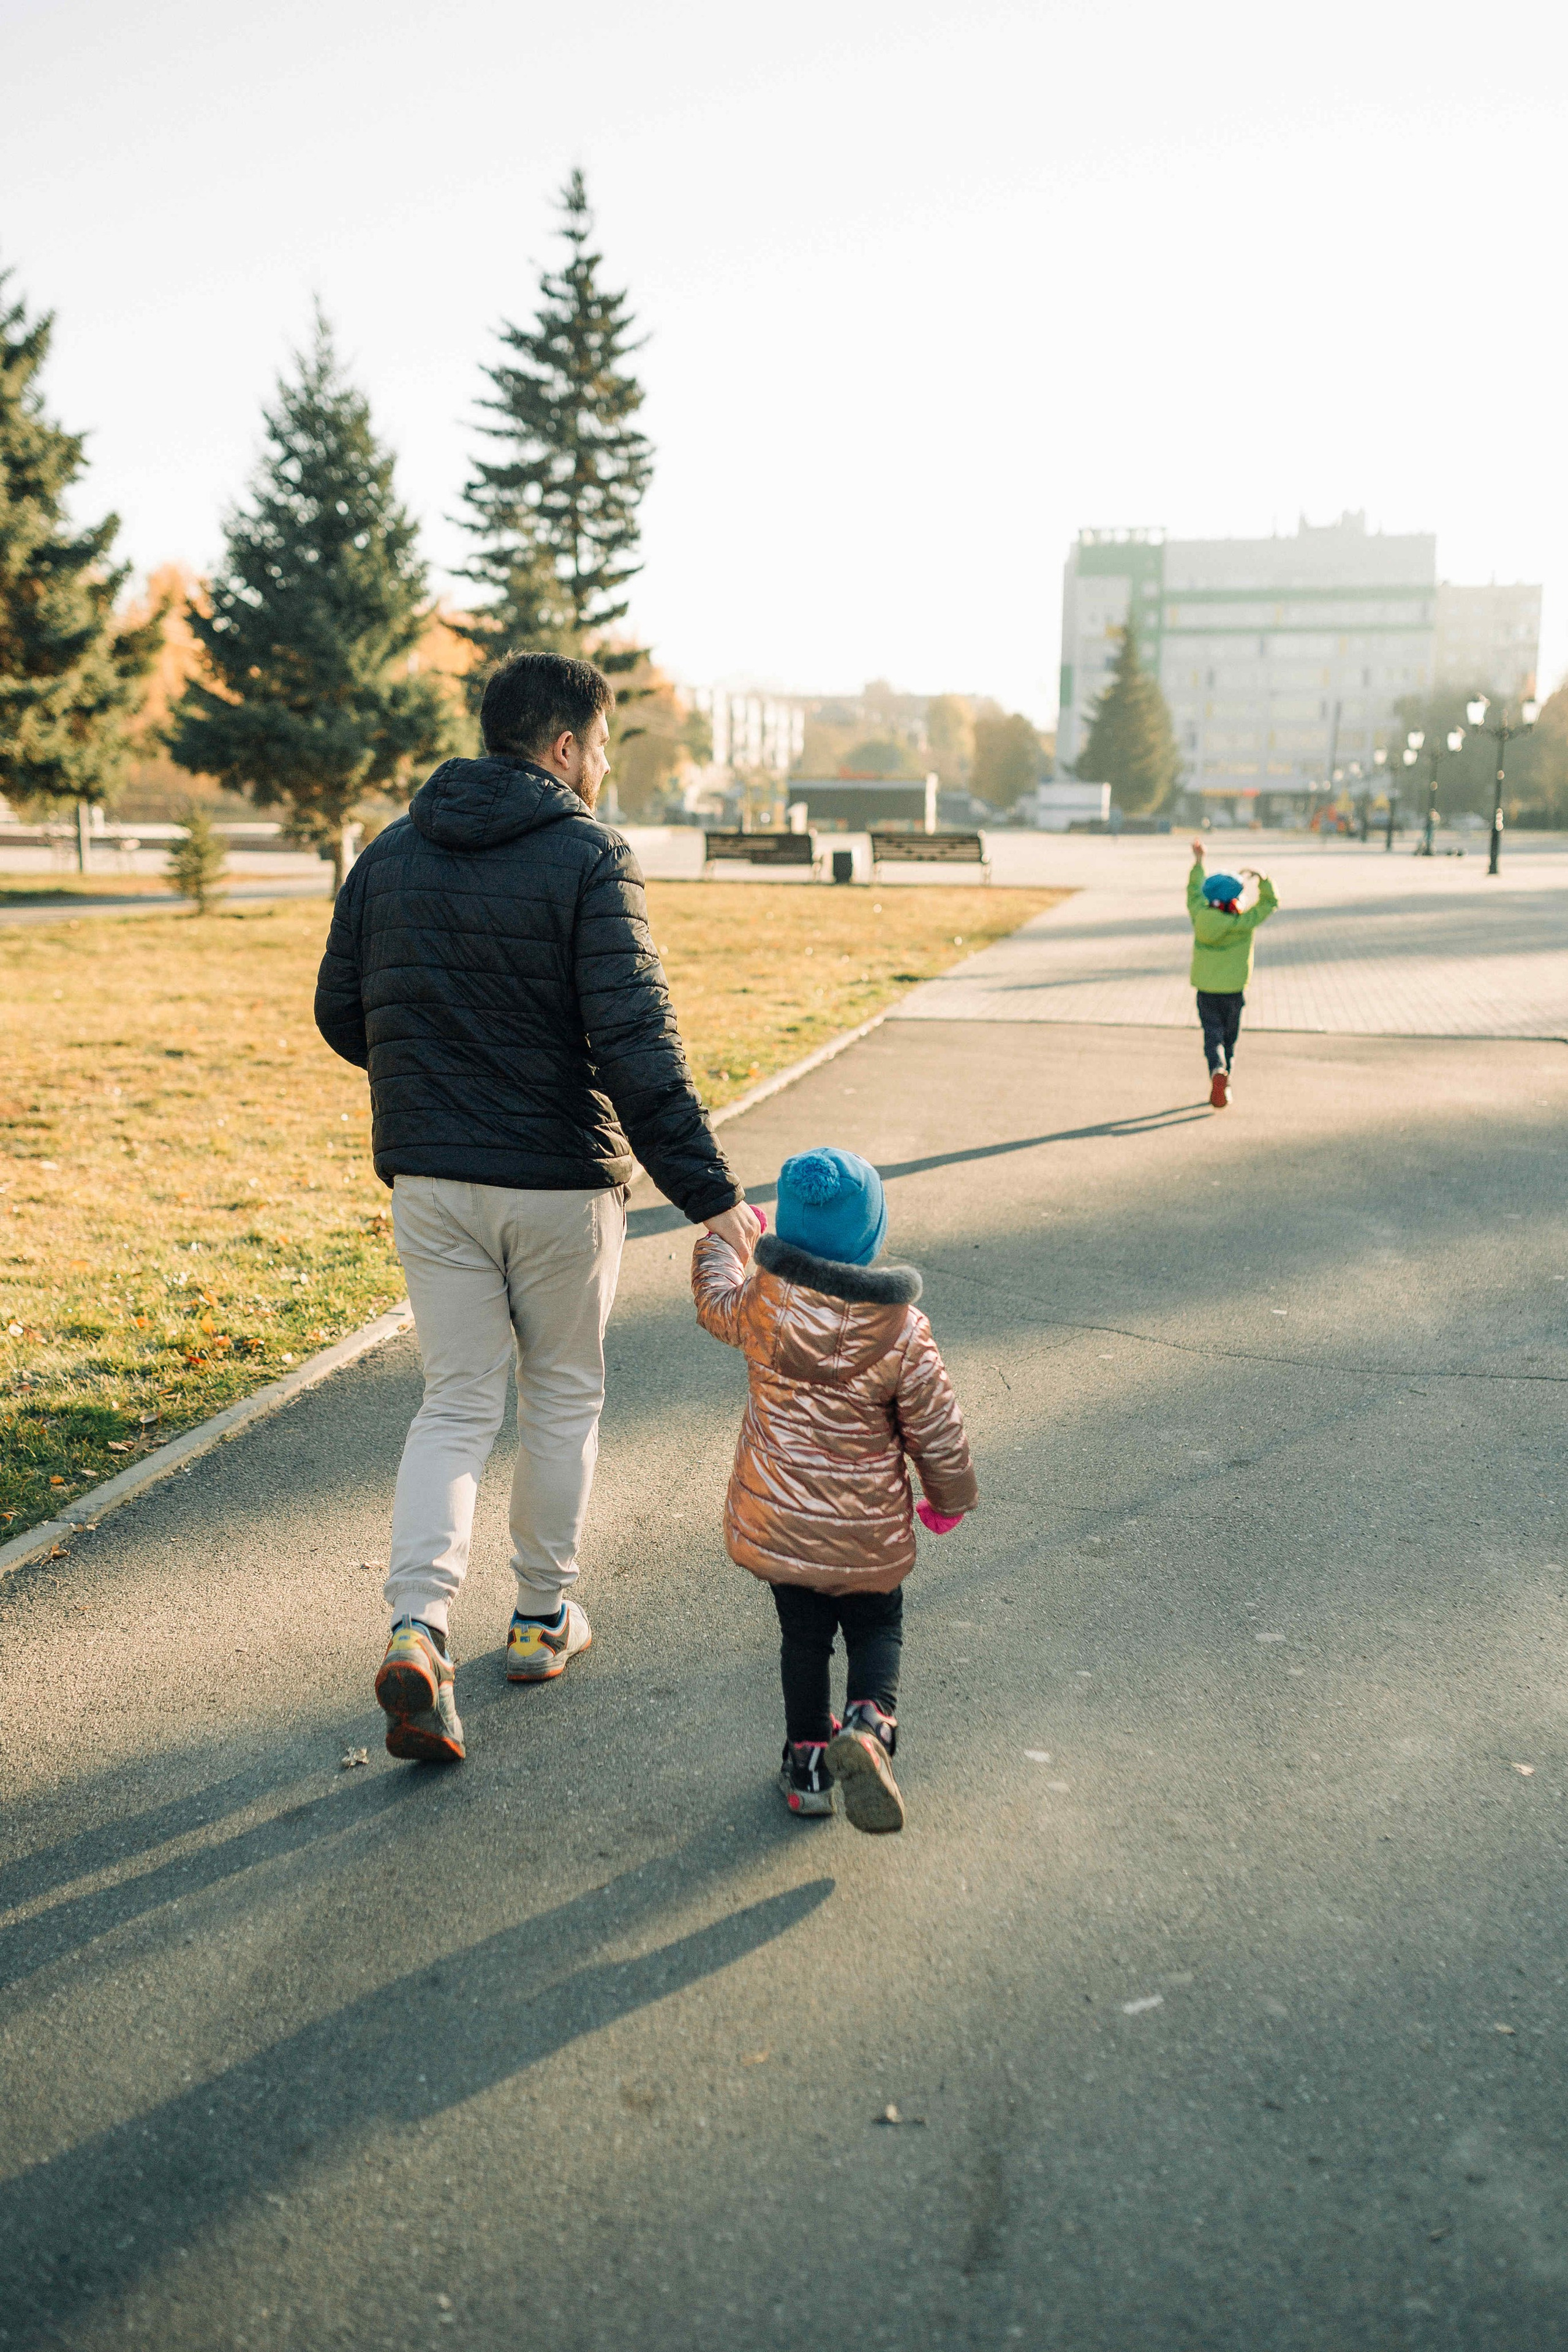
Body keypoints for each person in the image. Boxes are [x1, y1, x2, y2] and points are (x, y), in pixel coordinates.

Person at [315, 651, 760, 1763]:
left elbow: (339, 1010)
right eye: (603, 745)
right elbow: (636, 1042)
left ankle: (418, 1627)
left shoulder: (392, 851)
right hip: (558, 1185)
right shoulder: (587, 854)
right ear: (564, 745)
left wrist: (434, 1074)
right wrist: (714, 1200)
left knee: (456, 1403)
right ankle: (539, 1616)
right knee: (562, 1395)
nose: (605, 766)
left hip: (429, 1178)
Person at [692, 1145, 976, 1834]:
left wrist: (720, 1239)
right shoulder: (902, 1330)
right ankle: (870, 1723)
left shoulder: (763, 1307)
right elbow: (934, 1427)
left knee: (803, 1639)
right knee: (878, 1624)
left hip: (783, 1524)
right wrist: (948, 1497)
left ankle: (809, 1767)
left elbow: (713, 1299)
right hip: (868, 1528)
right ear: (871, 1238)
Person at [1186, 839, 1279, 1110]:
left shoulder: (1199, 915)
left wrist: (1199, 862)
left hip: (1206, 990)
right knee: (1229, 1038)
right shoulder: (1243, 923)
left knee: (1211, 1035)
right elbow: (1270, 904)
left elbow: (1193, 892)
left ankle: (1217, 1069)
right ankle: (1225, 1082)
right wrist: (1263, 880)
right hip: (1234, 991)